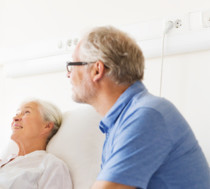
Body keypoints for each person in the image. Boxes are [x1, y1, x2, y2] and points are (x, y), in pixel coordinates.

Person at [67, 26, 210, 189]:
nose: (68, 74)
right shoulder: (120, 122)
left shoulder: (148, 114)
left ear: (96, 70)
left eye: (72, 65)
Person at [0, 99, 72, 189]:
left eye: (26, 112)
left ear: (46, 126)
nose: (15, 117)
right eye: (17, 113)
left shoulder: (51, 166)